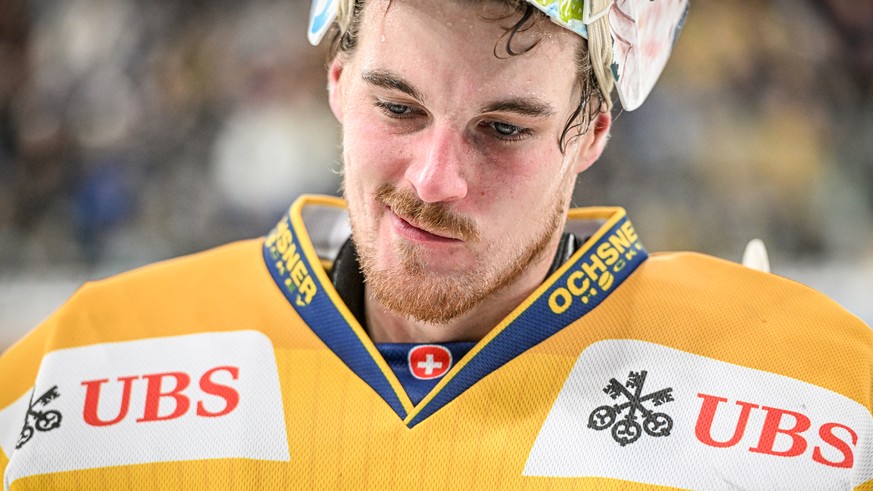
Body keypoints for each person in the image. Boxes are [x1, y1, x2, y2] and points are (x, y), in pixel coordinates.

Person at [1, 0, 871, 489]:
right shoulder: (80, 375)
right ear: (337, 83)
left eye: (500, 127)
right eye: (396, 108)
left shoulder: (819, 402)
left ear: (592, 130)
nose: (432, 179)